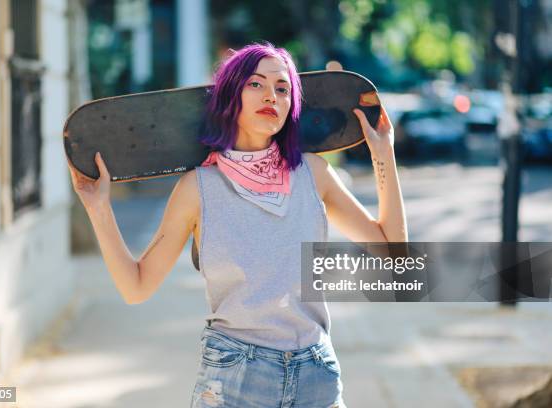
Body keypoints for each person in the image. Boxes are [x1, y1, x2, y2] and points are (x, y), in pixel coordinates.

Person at [68, 41, 407, 408]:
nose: (272, 96)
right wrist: (98, 207)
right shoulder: (198, 188)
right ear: (232, 95)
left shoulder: (313, 173)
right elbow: (136, 287)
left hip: (315, 373)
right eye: (256, 84)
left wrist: (383, 152)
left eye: (282, 88)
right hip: (236, 377)